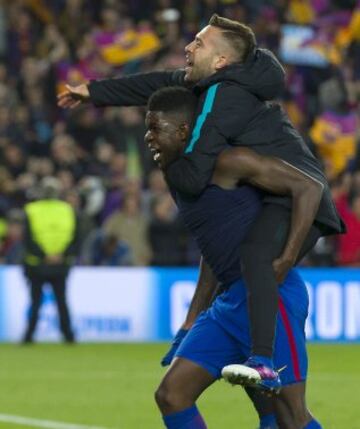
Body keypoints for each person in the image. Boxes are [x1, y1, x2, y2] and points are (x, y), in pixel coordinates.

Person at [57, 14, 345, 389]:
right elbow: (157, 83)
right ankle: (237, 350)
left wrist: (174, 172)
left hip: (301, 196)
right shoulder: (213, 83)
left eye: (199, 43)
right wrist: (93, 92)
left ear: (222, 60)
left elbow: (196, 162)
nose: (189, 48)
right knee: (239, 251)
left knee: (256, 255)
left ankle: (263, 360)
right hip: (278, 191)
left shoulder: (225, 95)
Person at [145, 87, 322, 428]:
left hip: (271, 296)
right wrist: (191, 318)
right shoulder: (178, 176)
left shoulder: (227, 161)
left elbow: (309, 187)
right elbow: (214, 248)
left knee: (289, 416)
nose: (148, 136)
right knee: (171, 395)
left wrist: (285, 260)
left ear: (183, 131)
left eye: (156, 128)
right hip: (229, 302)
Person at [22, 177, 78, 344]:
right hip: (60, 264)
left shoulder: (31, 209)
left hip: (37, 264)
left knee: (36, 302)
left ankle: (29, 336)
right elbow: (75, 237)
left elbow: (27, 238)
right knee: (61, 301)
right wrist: (61, 255)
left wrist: (43, 255)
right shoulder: (67, 209)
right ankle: (68, 336)